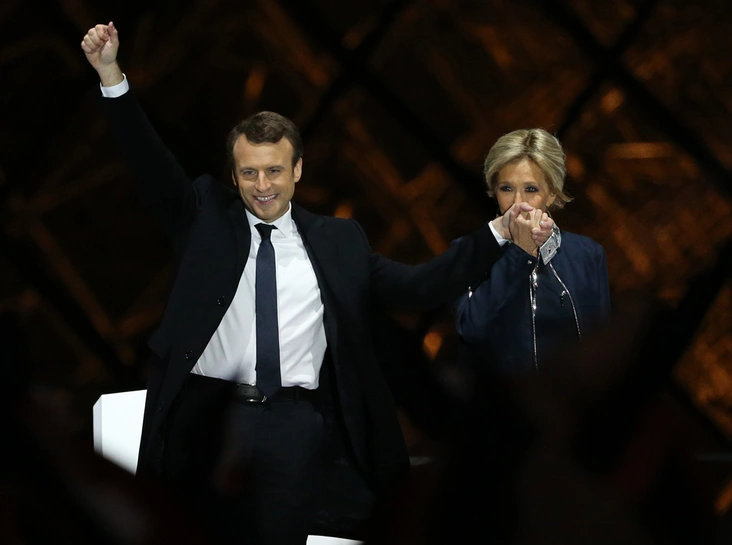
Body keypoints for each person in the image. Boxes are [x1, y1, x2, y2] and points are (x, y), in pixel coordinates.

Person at [80, 22, 553, 545]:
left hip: (295, 423)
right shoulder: (204, 215)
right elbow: (149, 162)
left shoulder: (339, 241)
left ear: (298, 170)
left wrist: (497, 233)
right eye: (249, 173)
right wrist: (111, 74)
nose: (263, 186)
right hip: (208, 414)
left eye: (275, 171)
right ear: (233, 175)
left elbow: (419, 287)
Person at [454, 128, 611, 376]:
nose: (518, 202)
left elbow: (603, 346)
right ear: (494, 191)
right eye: (507, 188)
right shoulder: (469, 254)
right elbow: (471, 328)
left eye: (531, 189)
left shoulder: (587, 254)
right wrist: (521, 252)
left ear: (551, 194)